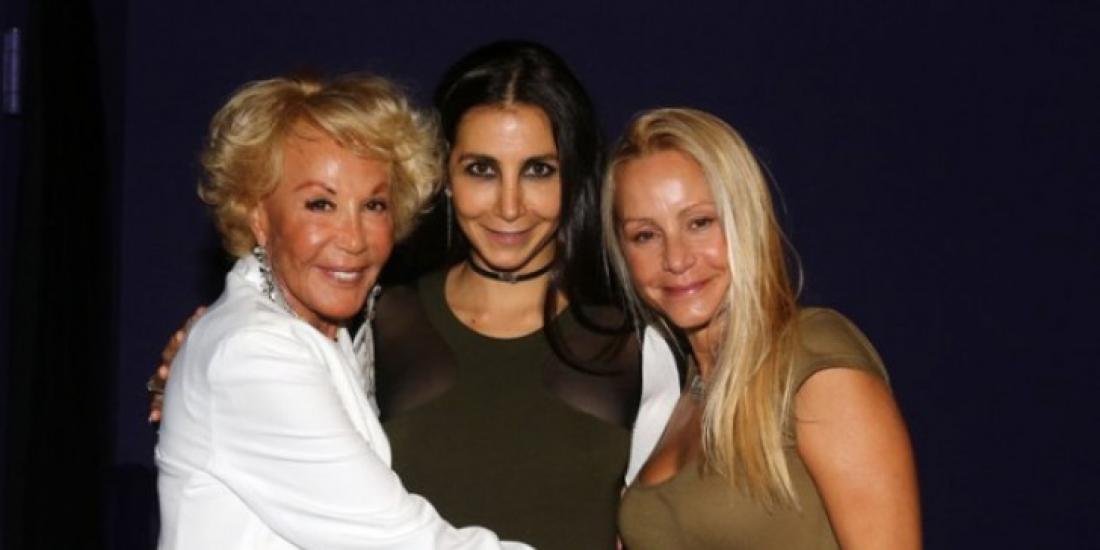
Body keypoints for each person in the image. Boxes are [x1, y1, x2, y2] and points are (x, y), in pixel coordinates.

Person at [154, 74, 529, 549]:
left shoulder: (323, 334)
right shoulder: (253, 352)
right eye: (320, 204)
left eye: (374, 205)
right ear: (257, 215)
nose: (353, 239)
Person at [372, 41, 671, 549]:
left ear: (573, 176)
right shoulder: (378, 324)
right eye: (481, 169)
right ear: (444, 175)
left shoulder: (640, 344)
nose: (509, 207)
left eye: (538, 170)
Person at [602, 108, 921, 549]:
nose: (676, 259)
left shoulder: (811, 357)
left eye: (700, 223)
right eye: (645, 235)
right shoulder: (675, 397)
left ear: (744, 219)